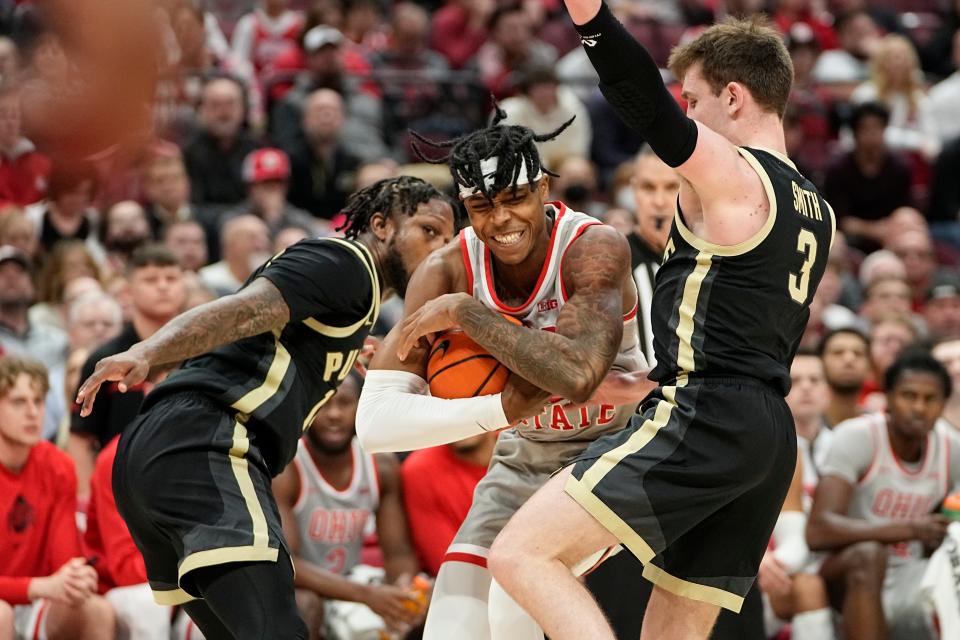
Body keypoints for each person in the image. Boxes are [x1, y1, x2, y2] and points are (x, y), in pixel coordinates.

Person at [486, 4, 836, 638]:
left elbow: (642, 99)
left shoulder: (734, 175)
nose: (688, 115)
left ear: (734, 96)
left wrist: (590, 18)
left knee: (520, 554)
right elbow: (742, 325)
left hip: (707, 414)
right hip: (766, 431)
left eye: (694, 100)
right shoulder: (817, 207)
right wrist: (649, 379)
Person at [74, 177, 455, 639]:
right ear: (380, 225)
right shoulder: (345, 262)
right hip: (207, 440)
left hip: (162, 451)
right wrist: (148, 350)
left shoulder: (354, 300)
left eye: (449, 240)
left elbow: (235, 338)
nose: (441, 250)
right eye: (429, 232)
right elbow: (243, 310)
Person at [356, 110, 649, 640]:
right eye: (481, 206)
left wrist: (468, 314)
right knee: (451, 624)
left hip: (613, 453)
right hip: (522, 457)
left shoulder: (593, 248)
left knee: (516, 593)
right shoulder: (446, 269)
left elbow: (578, 377)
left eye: (514, 198)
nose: (500, 220)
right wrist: (501, 409)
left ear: (541, 188)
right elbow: (375, 426)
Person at [807, 349, 960, 640]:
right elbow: (817, 531)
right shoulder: (858, 436)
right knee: (869, 554)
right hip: (841, 571)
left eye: (930, 399)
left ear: (943, 405)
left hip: (910, 572)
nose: (919, 407)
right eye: (908, 396)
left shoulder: (951, 447)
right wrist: (911, 529)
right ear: (888, 397)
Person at [273, 372, 424, 640]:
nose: (334, 414)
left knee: (426, 604)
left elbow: (398, 552)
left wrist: (402, 588)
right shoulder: (288, 467)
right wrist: (368, 596)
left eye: (345, 403)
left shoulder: (382, 466)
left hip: (352, 582)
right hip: (302, 588)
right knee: (304, 607)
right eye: (325, 403)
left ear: (360, 406)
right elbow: (288, 566)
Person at [0, 357, 114, 640]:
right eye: (18, 402)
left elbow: (66, 560)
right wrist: (39, 587)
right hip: (15, 598)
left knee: (97, 609)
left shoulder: (58, 465)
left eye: (38, 401)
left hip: (39, 598)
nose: (32, 412)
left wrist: (77, 577)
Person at [68, 245, 187, 499]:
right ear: (128, 291)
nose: (163, 286)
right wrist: (89, 499)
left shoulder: (203, 353)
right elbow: (80, 438)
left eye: (171, 278)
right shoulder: (105, 360)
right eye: (151, 280)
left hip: (187, 484)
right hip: (120, 492)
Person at [401, 432, 498, 577]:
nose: (458, 416)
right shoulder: (420, 470)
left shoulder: (527, 447)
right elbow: (452, 568)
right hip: (473, 584)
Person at [626, 145, 681, 364]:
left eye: (671, 187)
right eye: (648, 187)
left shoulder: (710, 259)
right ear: (634, 190)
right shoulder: (612, 262)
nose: (659, 201)